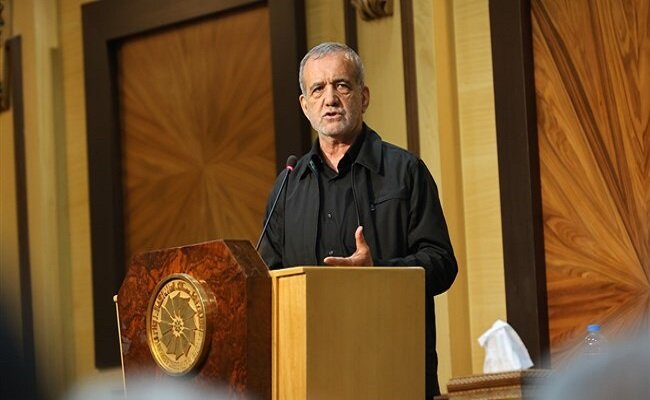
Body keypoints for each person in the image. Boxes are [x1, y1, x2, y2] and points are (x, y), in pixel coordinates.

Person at [259, 42, 458, 398]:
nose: (330, 99)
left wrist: (378, 272)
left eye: (342, 85)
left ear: (363, 97)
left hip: (392, 370)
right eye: (317, 89)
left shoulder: (405, 172)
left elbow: (442, 263)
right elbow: (266, 283)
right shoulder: (286, 188)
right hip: (310, 376)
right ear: (305, 105)